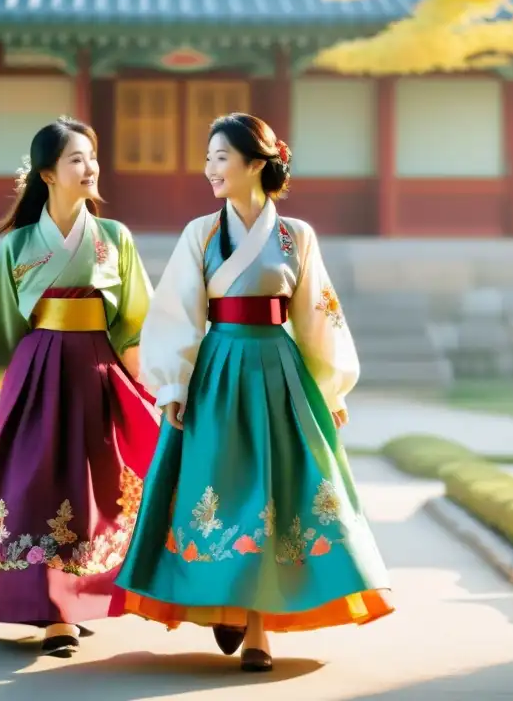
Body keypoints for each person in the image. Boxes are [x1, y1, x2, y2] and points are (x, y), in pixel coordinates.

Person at [115, 113, 394, 672]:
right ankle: (227, 601)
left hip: (278, 371)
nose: (209, 168)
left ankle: (259, 629)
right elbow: (177, 310)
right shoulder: (202, 233)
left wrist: (331, 387)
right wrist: (172, 382)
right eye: (209, 157)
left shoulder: (297, 237)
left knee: (278, 490)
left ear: (255, 164)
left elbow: (319, 314)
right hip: (217, 370)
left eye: (221, 157)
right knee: (220, 485)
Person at [0, 117, 160, 657]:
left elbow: (136, 323)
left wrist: (148, 387)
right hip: (36, 373)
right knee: (37, 486)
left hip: (96, 372)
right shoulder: (19, 245)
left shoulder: (115, 238)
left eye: (92, 157)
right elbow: (1, 325)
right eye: (77, 159)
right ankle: (53, 614)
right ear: (48, 173)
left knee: (96, 489)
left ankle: (77, 597)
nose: (90, 167)